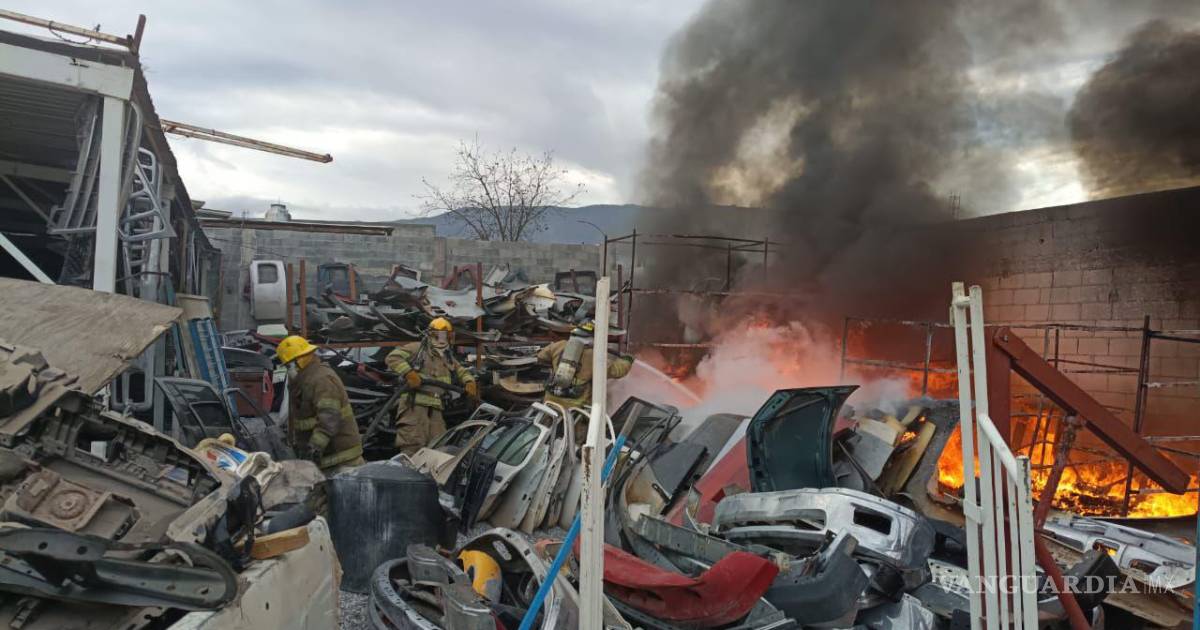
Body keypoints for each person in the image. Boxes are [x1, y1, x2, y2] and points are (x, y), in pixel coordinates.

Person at [386, 317, 478, 455]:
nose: (443, 339)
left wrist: (469, 382)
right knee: (413, 443)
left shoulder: (446, 355)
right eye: (440, 335)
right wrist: (409, 373)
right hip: (415, 405)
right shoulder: (417, 348)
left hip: (435, 406)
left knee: (438, 444)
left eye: (446, 336)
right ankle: (410, 468)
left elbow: (460, 370)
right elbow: (392, 358)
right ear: (431, 335)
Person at [277, 335, 364, 475]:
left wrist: (314, 448)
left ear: (299, 360)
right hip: (327, 459)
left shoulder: (321, 379)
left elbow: (329, 419)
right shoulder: (304, 379)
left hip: (342, 460)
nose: (289, 369)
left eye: (288, 365)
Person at [536, 321, 633, 409]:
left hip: (550, 400)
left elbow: (541, 357)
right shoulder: (594, 356)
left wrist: (557, 365)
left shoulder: (558, 345)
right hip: (575, 408)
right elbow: (618, 371)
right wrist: (627, 360)